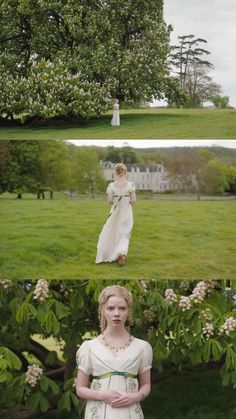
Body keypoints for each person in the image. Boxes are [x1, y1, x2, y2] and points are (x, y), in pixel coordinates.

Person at [76, 285, 153, 419]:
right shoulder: (89, 347)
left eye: (122, 308)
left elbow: (146, 384)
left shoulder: (142, 347)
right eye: (111, 308)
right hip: (99, 413)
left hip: (130, 413)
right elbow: (80, 389)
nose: (116, 313)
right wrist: (101, 395)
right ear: (103, 310)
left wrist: (137, 396)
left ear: (129, 311)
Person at [95, 163, 136, 266]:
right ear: (125, 172)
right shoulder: (130, 185)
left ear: (116, 172)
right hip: (126, 211)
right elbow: (134, 200)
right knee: (125, 233)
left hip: (115, 211)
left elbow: (109, 201)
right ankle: (121, 253)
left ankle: (113, 253)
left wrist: (116, 198)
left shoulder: (111, 186)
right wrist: (127, 199)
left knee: (113, 231)